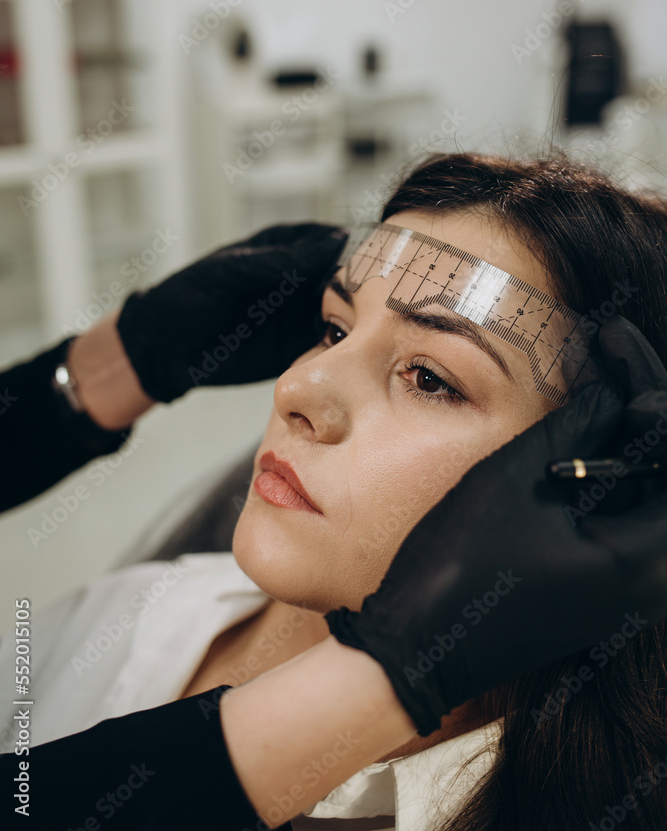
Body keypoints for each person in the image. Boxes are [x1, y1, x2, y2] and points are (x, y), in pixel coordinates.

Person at [2, 152, 667, 830]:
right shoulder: (128, 617)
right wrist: (107, 362)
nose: (296, 389)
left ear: (603, 491)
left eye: (430, 377)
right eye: (333, 329)